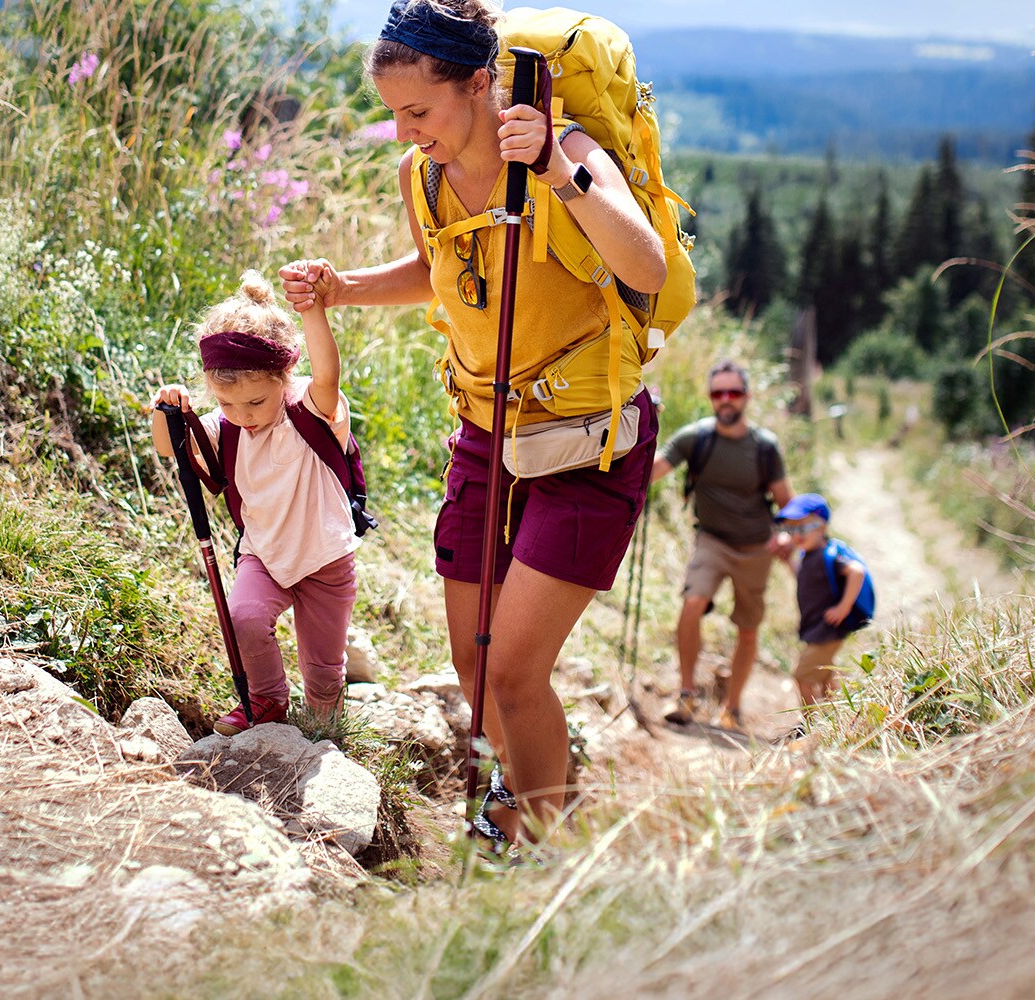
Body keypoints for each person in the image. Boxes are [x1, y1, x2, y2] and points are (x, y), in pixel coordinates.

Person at [278, 0, 668, 845]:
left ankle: (542, 849)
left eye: (417, 111)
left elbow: (645, 263)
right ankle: (527, 805)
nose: (403, 133)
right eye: (392, 114)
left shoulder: (563, 151)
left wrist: (562, 177)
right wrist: (344, 289)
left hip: (587, 442)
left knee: (519, 672)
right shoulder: (424, 175)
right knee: (476, 666)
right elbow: (434, 267)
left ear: (482, 84)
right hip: (487, 435)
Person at [150, 273, 355, 734]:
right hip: (264, 552)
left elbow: (327, 372)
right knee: (243, 617)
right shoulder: (228, 426)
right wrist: (164, 410)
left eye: (256, 402)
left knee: (323, 667)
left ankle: (325, 720)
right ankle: (267, 700)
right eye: (226, 402)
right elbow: (170, 447)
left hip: (325, 557)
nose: (243, 415)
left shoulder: (309, 408)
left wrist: (312, 311)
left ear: (284, 378)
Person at [650, 359, 791, 731]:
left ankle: (732, 708)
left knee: (747, 628)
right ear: (711, 398)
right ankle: (686, 694)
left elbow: (786, 503)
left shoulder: (764, 447)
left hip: (756, 548)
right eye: (718, 393)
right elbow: (654, 469)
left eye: (733, 392)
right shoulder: (695, 438)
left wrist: (789, 534)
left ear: (747, 396)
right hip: (711, 540)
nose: (726, 400)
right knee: (692, 602)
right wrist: (643, 426)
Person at [774, 493, 873, 708]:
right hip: (817, 628)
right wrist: (787, 562)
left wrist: (843, 608)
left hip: (828, 629)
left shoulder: (827, 555)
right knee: (826, 675)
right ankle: (837, 714)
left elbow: (857, 572)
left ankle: (811, 723)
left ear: (821, 526)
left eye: (802, 528)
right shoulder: (808, 556)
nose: (796, 536)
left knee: (802, 676)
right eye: (791, 530)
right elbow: (803, 578)